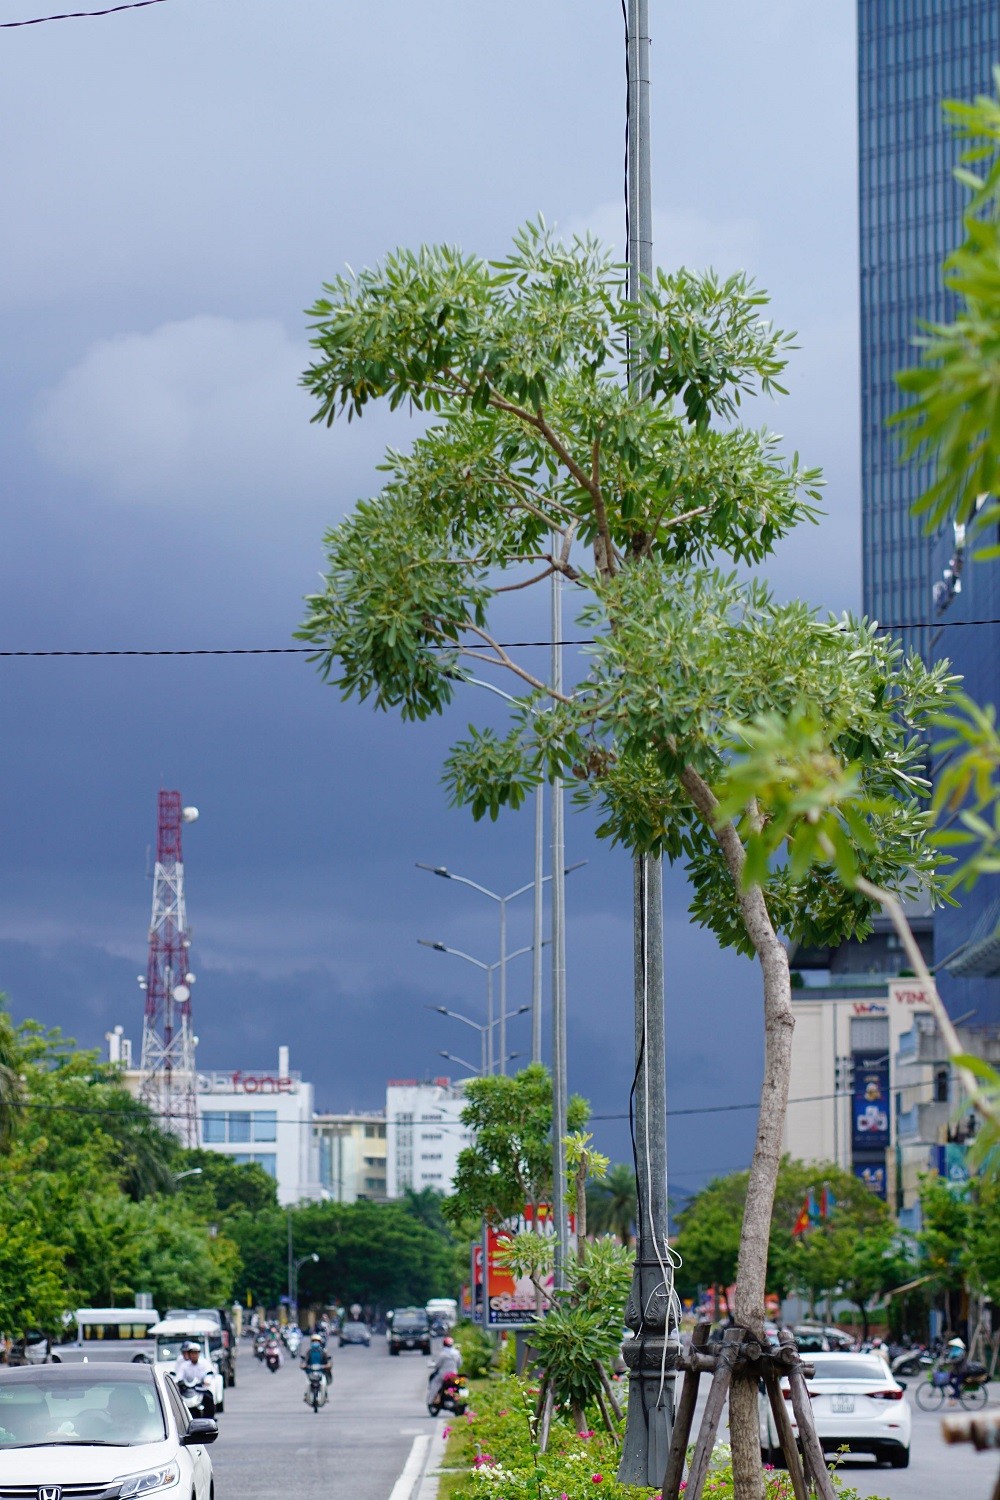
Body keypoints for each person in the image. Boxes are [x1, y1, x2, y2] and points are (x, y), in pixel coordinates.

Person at [172, 1340, 216, 1417]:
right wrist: (176, 1382)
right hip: (187, 1390)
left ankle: (210, 1418)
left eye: (196, 1353)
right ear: (189, 1354)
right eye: (192, 1353)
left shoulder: (204, 1363)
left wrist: (207, 1380)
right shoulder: (184, 1365)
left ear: (199, 1354)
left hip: (200, 1389)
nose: (194, 1355)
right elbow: (179, 1376)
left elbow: (209, 1373)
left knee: (209, 1397)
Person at [426, 1334, 462, 1409]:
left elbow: (437, 1365)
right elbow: (459, 1364)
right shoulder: (456, 1353)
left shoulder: (442, 1354)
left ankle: (430, 1401)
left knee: (434, 1385)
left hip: (443, 1375)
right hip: (454, 1375)